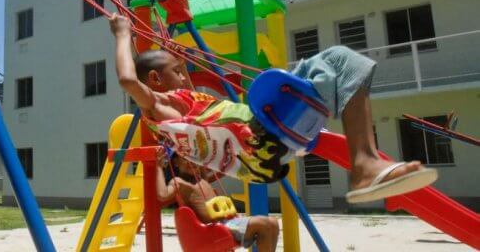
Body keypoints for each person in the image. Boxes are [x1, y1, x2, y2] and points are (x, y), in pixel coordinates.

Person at [110, 13, 437, 203]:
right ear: (154, 79)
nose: (186, 76)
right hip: (258, 135)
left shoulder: (189, 107)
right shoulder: (159, 110)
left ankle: (364, 162)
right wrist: (123, 34)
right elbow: (128, 80)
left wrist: (172, 49)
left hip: (264, 143)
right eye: (179, 71)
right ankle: (364, 165)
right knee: (338, 59)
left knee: (334, 67)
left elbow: (193, 102)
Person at [155, 149, 279, 251]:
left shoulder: (201, 178)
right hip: (214, 229)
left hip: (227, 222)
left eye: (193, 158)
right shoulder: (179, 182)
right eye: (185, 158)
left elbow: (206, 160)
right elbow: (162, 194)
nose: (191, 162)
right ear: (175, 162)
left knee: (273, 222)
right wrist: (158, 167)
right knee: (263, 225)